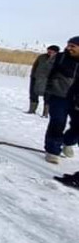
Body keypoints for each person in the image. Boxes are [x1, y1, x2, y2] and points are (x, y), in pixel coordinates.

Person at [43, 36, 79, 164]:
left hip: (77, 100)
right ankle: (52, 151)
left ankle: (68, 142)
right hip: (59, 96)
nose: (69, 48)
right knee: (57, 123)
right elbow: (45, 74)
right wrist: (46, 92)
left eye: (73, 46)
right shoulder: (60, 58)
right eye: (68, 45)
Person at [27, 45, 60, 116]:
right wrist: (33, 75)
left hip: (48, 81)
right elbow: (35, 66)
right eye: (49, 50)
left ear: (56, 52)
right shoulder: (41, 57)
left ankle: (45, 113)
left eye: (52, 51)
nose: (49, 51)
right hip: (36, 78)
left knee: (47, 97)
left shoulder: (59, 60)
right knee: (33, 94)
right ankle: (31, 110)